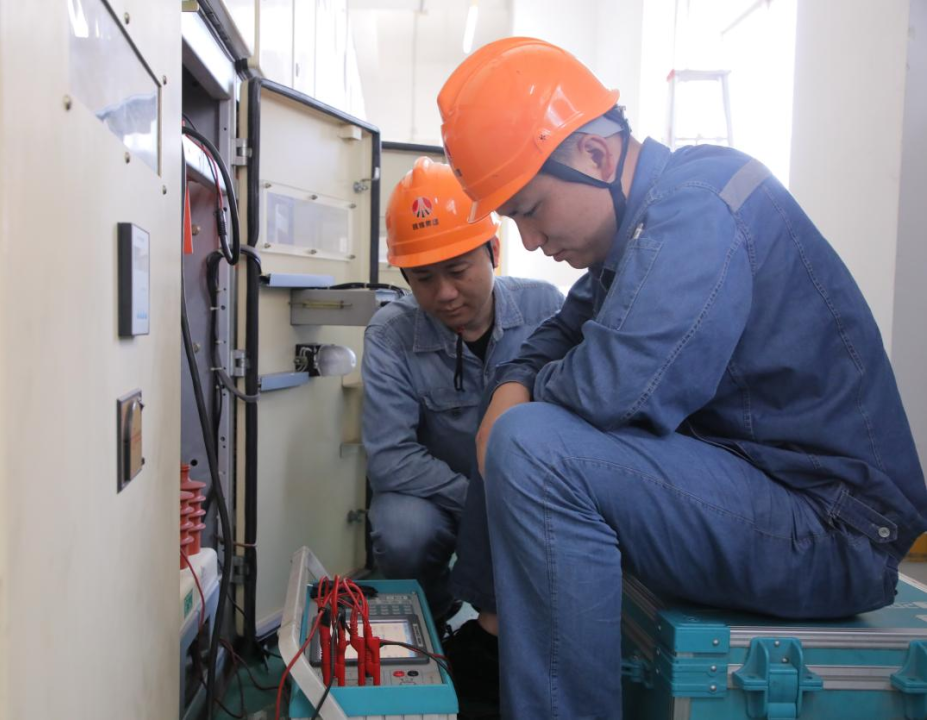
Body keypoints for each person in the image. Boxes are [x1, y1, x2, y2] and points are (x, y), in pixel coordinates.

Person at [436, 37, 927, 718]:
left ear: (596, 155)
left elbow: (616, 388)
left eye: (530, 209)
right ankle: (493, 638)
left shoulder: (695, 210)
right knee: (513, 417)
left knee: (532, 444)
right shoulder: (639, 226)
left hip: (833, 529)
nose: (529, 242)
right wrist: (514, 384)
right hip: (763, 487)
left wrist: (519, 400)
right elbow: (555, 337)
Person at [361, 156, 563, 714]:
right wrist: (480, 500)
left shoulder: (547, 309)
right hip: (440, 497)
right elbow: (390, 458)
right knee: (400, 531)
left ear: (493, 251)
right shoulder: (390, 335)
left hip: (526, 494)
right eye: (424, 279)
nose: (445, 293)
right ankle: (432, 628)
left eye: (458, 270)